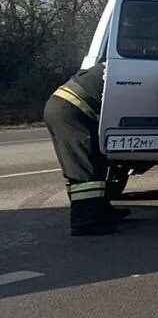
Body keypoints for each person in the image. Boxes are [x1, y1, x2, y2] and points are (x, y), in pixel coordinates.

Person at [43, 62, 128, 236]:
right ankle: (83, 222)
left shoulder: (119, 64)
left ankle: (101, 211)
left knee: (97, 162)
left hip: (69, 108)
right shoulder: (125, 69)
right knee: (84, 169)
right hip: (70, 112)